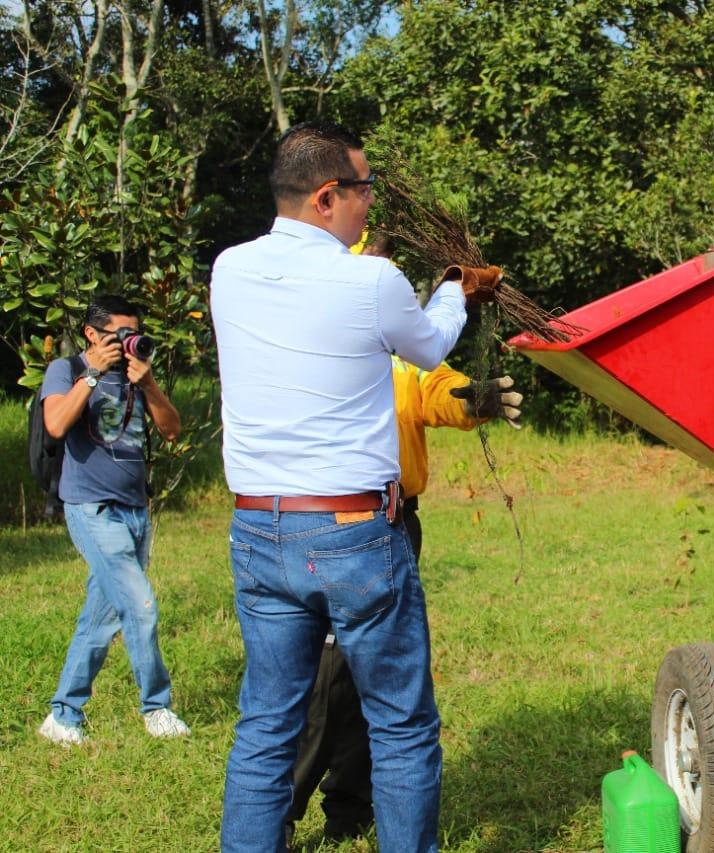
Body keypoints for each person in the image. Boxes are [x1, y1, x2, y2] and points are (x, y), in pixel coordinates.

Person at [211, 120, 501, 853]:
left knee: (267, 723)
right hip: (353, 534)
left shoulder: (229, 269)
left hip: (259, 530)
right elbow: (431, 346)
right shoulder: (370, 278)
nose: (371, 204)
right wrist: (455, 291)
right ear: (327, 196)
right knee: (400, 723)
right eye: (365, 189)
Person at [284, 235, 523, 847]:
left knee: (376, 673)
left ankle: (352, 805)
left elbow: (437, 387)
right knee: (326, 676)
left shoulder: (400, 352)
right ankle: (279, 811)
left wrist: (475, 401)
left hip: (392, 524)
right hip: (322, 524)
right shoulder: (303, 340)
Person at [36, 294, 188, 746]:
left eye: (133, 334)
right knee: (141, 606)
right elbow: (56, 425)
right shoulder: (65, 371)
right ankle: (156, 707)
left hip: (135, 510)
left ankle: (63, 717)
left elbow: (172, 429)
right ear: (91, 333)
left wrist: (151, 385)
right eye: (118, 335)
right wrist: (93, 374)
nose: (127, 343)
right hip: (90, 508)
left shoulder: (136, 377)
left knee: (100, 618)